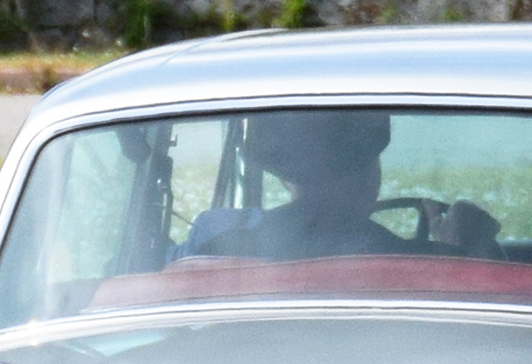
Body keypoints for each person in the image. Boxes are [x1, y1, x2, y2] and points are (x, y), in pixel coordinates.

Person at [183, 109, 500, 260]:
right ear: (370, 175)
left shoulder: (213, 245)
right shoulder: (423, 264)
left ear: (283, 176)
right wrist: (469, 245)